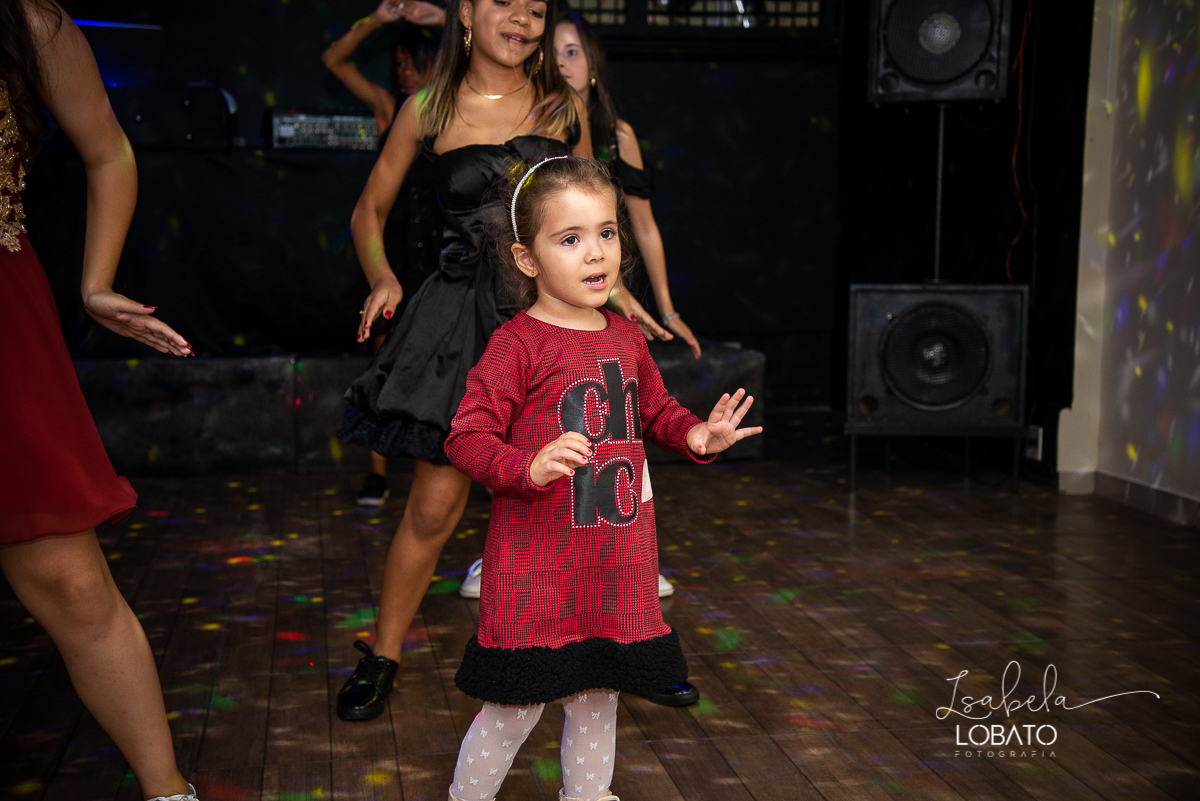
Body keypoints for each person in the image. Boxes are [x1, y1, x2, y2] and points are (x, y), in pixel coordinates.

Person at [334, 0, 629, 721]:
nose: (523, 19)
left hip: (548, 319)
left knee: (584, 498)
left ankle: (624, 649)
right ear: (466, 12)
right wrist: (382, 275)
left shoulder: (562, 110)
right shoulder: (426, 109)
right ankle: (384, 652)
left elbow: (589, 214)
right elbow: (366, 211)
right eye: (506, 4)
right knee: (434, 504)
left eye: (536, 9)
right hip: (461, 321)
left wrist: (614, 294)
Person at [443, 155, 761, 801]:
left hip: (614, 563)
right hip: (537, 568)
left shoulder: (624, 336)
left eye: (607, 233)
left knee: (598, 696)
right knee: (515, 707)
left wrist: (697, 435)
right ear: (527, 258)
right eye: (571, 238)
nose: (596, 254)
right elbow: (465, 436)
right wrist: (524, 465)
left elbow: (656, 410)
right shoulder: (517, 344)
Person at [0, 2, 196, 800]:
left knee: (72, 581)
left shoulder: (30, 23)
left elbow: (109, 148)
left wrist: (96, 281)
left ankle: (167, 788)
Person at [322, 1, 446, 506]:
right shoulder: (391, 108)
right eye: (397, 65)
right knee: (385, 353)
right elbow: (334, 59)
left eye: (411, 62)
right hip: (393, 250)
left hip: (442, 248)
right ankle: (377, 473)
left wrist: (442, 16)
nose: (404, 72)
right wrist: (381, 18)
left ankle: (455, 463)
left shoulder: (458, 112)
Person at [555, 12, 702, 358]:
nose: (561, 63)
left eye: (572, 52)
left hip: (603, 278)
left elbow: (644, 226)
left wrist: (668, 310)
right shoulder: (535, 130)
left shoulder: (618, 135)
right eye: (553, 54)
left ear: (593, 65)